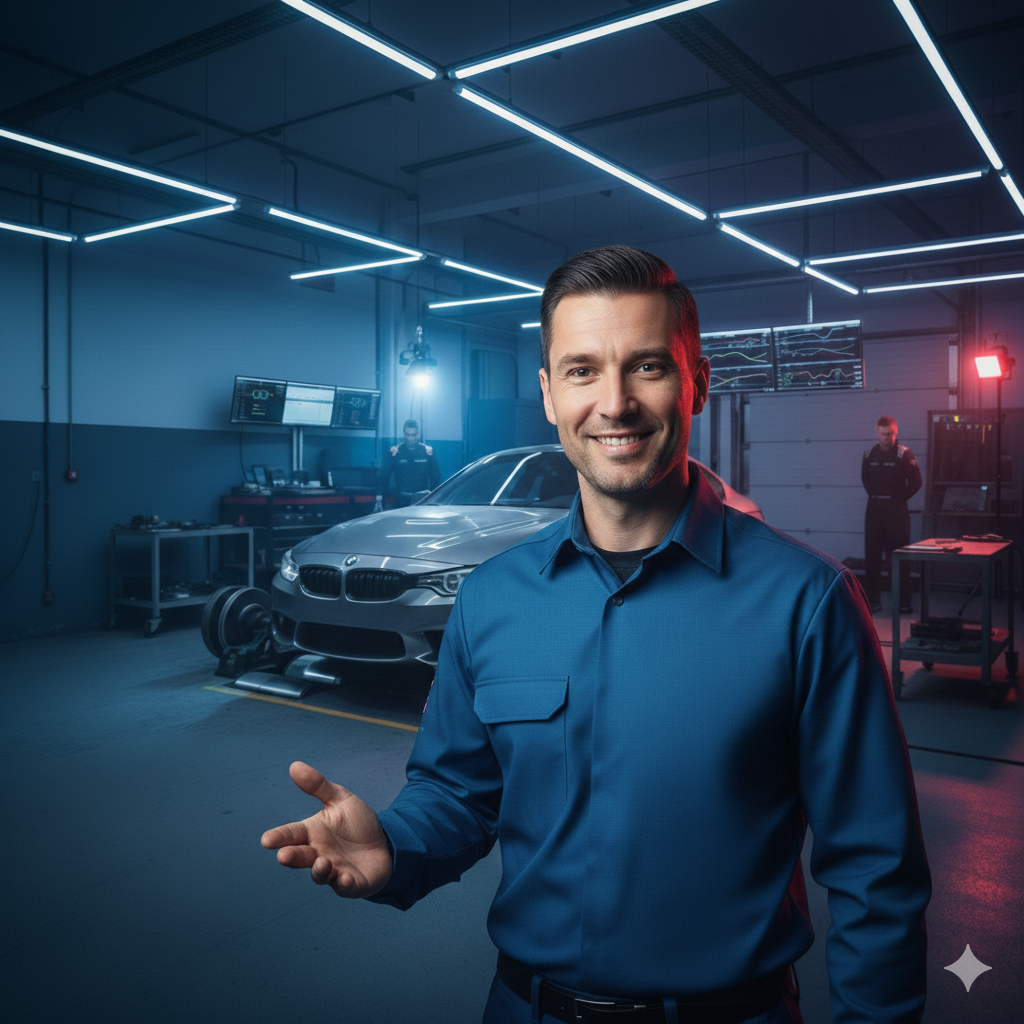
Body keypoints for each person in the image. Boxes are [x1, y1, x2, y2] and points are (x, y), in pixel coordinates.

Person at [262, 247, 930, 1024]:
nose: (614, 403)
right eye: (581, 370)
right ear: (548, 394)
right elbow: (458, 791)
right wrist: (395, 842)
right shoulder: (491, 598)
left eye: (647, 367)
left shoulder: (808, 603)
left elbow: (876, 872)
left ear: (698, 383)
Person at [862, 416, 922, 614]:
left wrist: (897, 499)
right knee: (872, 559)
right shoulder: (869, 454)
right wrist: (879, 498)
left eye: (890, 434)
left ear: (896, 434)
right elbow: (865, 480)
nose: (886, 438)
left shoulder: (904, 454)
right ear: (877, 433)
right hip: (874, 514)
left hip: (896, 514)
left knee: (899, 558)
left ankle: (903, 603)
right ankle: (873, 602)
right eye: (883, 434)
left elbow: (916, 482)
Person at [375, 418, 441, 510]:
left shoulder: (427, 452)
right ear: (404, 434)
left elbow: (435, 477)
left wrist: (434, 499)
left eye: (413, 435)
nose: (410, 438)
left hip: (421, 499)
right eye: (408, 434)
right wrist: (379, 497)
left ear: (417, 434)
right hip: (401, 499)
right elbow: (384, 477)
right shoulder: (396, 452)